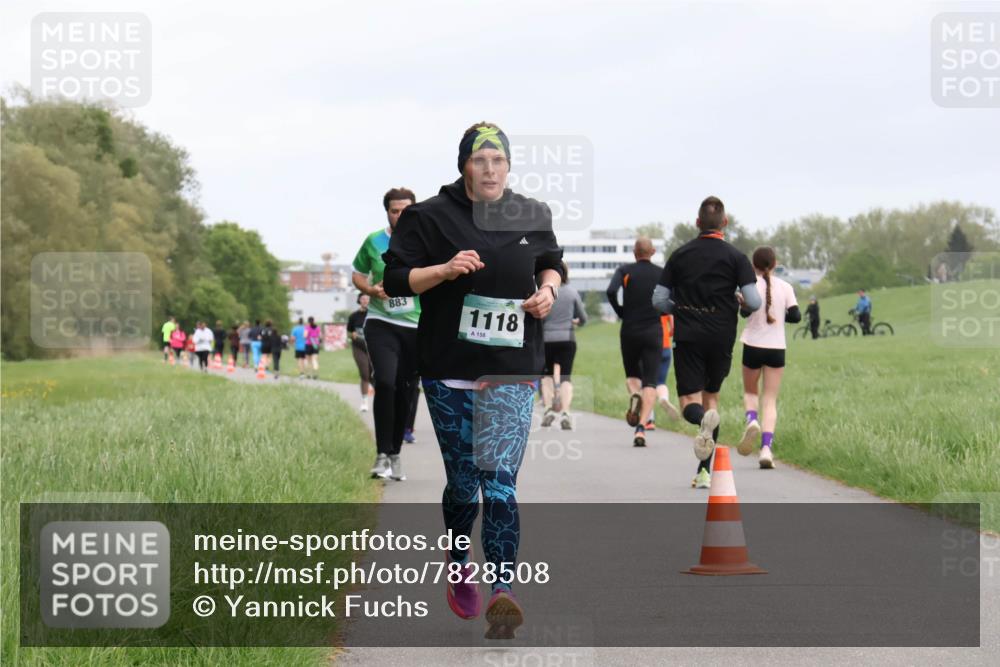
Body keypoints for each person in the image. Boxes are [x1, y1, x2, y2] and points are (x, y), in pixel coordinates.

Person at [382, 122, 562, 639]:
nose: (489, 170)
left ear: (509, 165)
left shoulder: (532, 213)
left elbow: (551, 264)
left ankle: (504, 590)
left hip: (512, 367)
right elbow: (395, 281)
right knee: (464, 482)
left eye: (498, 160)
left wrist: (548, 291)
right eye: (479, 160)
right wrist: (443, 270)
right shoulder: (428, 216)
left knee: (500, 481)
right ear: (463, 165)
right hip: (449, 368)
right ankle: (460, 561)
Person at [652, 196, 761, 489]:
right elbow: (753, 301)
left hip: (688, 334)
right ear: (725, 222)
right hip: (722, 334)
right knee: (711, 398)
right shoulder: (736, 257)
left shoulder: (680, 255)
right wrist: (739, 303)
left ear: (698, 222)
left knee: (690, 402)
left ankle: (701, 427)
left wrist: (680, 308)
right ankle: (704, 471)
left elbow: (659, 300)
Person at [352, 186, 422, 481]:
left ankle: (395, 453)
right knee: (384, 382)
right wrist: (370, 290)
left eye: (406, 211)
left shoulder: (427, 241)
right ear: (387, 213)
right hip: (381, 321)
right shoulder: (374, 240)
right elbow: (357, 273)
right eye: (395, 211)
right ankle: (381, 455)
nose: (400, 216)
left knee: (406, 389)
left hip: (416, 325)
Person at [736, 247, 801, 469]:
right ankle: (766, 449)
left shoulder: (749, 287)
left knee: (750, 392)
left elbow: (744, 313)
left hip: (753, 345)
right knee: (770, 399)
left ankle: (751, 419)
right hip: (776, 348)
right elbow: (796, 316)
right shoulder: (786, 287)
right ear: (775, 264)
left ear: (753, 265)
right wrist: (779, 316)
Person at [606, 238, 663, 447]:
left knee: (632, 377)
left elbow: (611, 291)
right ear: (653, 251)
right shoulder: (661, 273)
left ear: (634, 252)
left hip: (630, 330)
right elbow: (671, 297)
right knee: (651, 381)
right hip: (653, 331)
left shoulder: (624, 270)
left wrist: (621, 311)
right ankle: (641, 428)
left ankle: (635, 395)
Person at [541, 261, 587, 430]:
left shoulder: (544, 292)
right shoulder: (572, 292)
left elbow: (540, 317)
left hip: (546, 339)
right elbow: (583, 319)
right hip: (567, 338)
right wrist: (574, 322)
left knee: (546, 376)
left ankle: (548, 409)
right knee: (566, 377)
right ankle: (566, 412)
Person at [647, 313, 681, 429]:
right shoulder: (664, 306)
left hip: (650, 346)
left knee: (648, 383)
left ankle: (649, 420)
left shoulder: (645, 306)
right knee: (661, 381)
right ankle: (663, 398)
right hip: (665, 347)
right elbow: (673, 328)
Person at [346, 295, 374, 411]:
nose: (365, 301)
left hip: (373, 347)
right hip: (358, 347)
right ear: (359, 301)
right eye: (363, 299)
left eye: (367, 299)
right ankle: (364, 401)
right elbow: (349, 332)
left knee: (374, 374)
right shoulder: (354, 316)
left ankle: (380, 397)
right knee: (364, 374)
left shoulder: (373, 314)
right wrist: (352, 335)